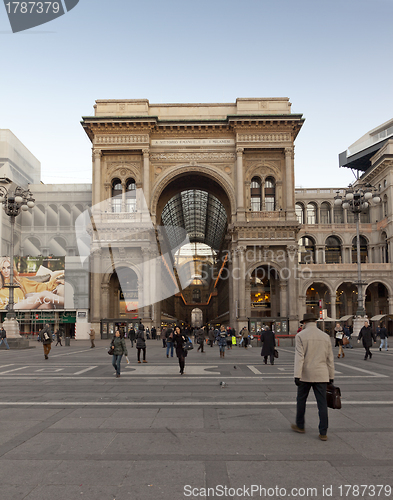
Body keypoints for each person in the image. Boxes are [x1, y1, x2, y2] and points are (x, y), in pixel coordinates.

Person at [292, 313, 334, 441]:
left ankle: (300, 425)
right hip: (322, 374)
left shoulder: (300, 335)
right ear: (315, 322)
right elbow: (330, 359)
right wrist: (331, 376)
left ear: (304, 323)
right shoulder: (325, 336)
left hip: (305, 374)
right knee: (322, 403)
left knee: (301, 400)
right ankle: (323, 432)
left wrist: (297, 375)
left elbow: (300, 357)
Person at [0, 257, 65, 310]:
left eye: (8, 268)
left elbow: (40, 287)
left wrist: (56, 281)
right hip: (8, 308)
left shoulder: (20, 281)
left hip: (20, 305)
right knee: (44, 295)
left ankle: (49, 326)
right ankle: (69, 303)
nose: (6, 271)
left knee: (46, 305)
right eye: (3, 268)